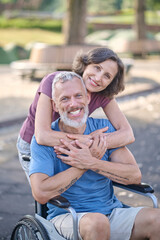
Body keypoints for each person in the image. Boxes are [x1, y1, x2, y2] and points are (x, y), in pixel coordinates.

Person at [30, 72, 160, 240]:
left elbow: (134, 176)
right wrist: (82, 164)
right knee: (97, 223)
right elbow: (40, 193)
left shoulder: (105, 130)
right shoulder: (45, 140)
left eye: (78, 96)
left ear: (88, 98)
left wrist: (91, 162)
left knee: (157, 220)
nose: (73, 104)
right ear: (54, 106)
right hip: (67, 216)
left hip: (111, 212)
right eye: (65, 99)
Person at [17, 47, 135, 181]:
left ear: (111, 82)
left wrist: (91, 143)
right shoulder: (55, 82)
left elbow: (127, 134)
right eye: (97, 68)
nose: (98, 78)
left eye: (107, 76)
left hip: (67, 146)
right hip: (34, 145)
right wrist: (89, 141)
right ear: (85, 64)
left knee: (69, 192)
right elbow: (42, 136)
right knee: (48, 194)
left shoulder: (103, 94)